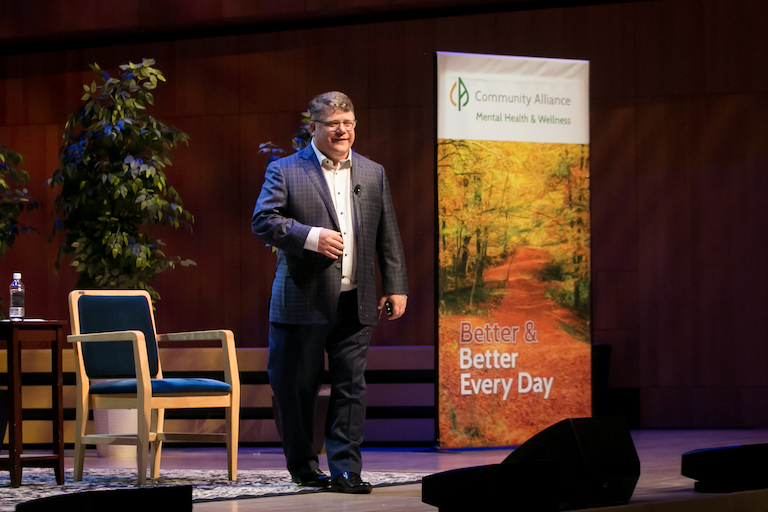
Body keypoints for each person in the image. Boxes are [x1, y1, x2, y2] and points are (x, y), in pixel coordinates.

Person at [251, 91, 408, 494]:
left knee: (351, 388)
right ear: (314, 128)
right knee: (297, 388)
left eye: (349, 122)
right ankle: (304, 468)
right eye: (334, 123)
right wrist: (309, 236)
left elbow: (387, 233)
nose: (343, 130)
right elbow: (264, 220)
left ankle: (345, 471)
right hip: (302, 300)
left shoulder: (373, 172)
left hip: (355, 298)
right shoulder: (285, 170)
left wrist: (396, 286)